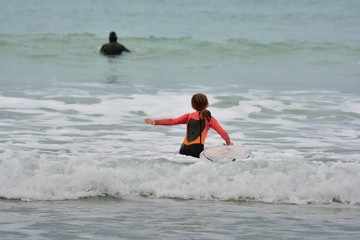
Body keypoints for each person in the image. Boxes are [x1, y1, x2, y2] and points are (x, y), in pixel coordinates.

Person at [144, 93, 233, 158]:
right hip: (196, 150)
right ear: (207, 104)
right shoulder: (209, 118)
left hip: (183, 149)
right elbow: (223, 133)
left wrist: (154, 122)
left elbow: (172, 121)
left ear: (192, 105)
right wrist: (228, 143)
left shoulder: (188, 116)